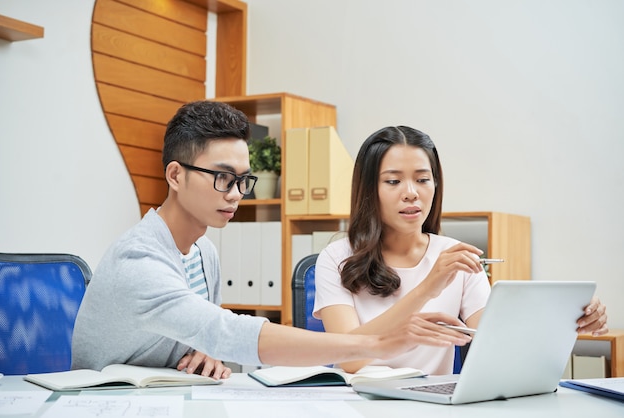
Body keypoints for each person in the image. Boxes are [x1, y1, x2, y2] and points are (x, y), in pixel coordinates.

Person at [71, 102, 473, 379]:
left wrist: (206, 352)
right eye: (222, 178)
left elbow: (200, 333)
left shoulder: (202, 251)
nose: (236, 194)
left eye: (243, 181)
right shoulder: (138, 260)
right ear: (175, 176)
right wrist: (380, 343)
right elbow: (226, 331)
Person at [313, 126, 608, 376]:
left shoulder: (456, 256)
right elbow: (350, 357)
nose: (411, 192)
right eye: (393, 181)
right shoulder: (337, 258)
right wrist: (428, 288)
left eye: (422, 179)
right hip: (355, 405)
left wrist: (571, 317)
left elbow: (500, 343)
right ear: (368, 189)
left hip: (430, 403)